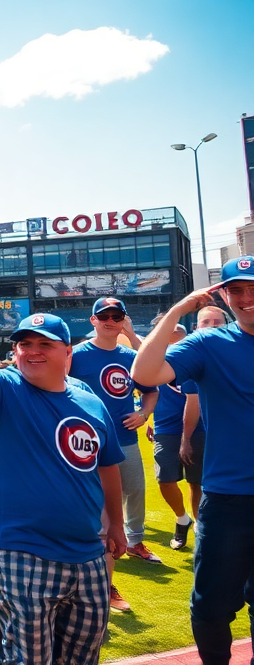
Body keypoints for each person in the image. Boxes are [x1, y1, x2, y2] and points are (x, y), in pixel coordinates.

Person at [0, 283, 126, 664]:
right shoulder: (3, 389)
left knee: (82, 655)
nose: (32, 351)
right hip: (21, 550)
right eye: (24, 345)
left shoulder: (90, 401)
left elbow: (107, 465)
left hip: (87, 551)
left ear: (67, 353)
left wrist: (117, 524)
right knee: (28, 658)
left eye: (44, 344)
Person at [133, 258, 254, 665]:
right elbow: (145, 372)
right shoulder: (208, 344)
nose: (245, 298)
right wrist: (176, 310)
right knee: (210, 609)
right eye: (236, 290)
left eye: (252, 288)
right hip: (228, 500)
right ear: (223, 295)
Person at [67, 296, 160, 615]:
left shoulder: (131, 356)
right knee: (89, 509)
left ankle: (132, 543)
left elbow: (152, 388)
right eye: (103, 315)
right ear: (93, 320)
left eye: (116, 316)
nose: (109, 320)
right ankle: (95, 581)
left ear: (123, 321)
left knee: (134, 491)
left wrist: (144, 413)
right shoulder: (75, 354)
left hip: (124, 440)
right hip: (82, 445)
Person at [146, 319, 201, 550]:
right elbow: (148, 390)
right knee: (165, 479)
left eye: (179, 328)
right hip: (165, 428)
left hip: (199, 427)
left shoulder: (197, 358)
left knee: (196, 481)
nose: (175, 330)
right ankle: (182, 518)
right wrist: (149, 420)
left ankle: (200, 525)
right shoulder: (153, 359)